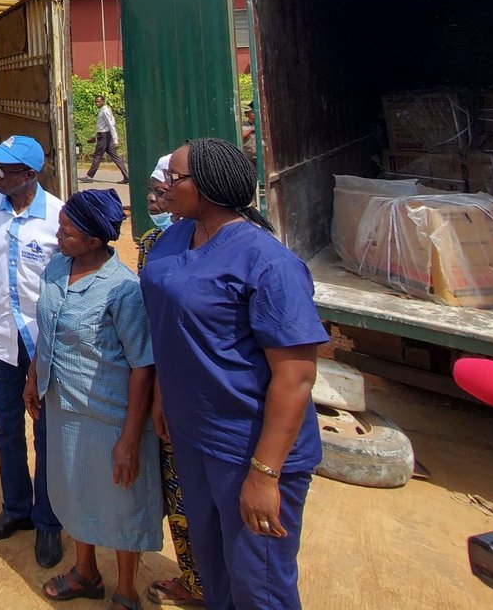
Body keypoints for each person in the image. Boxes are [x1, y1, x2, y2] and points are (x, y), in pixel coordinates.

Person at [139, 139, 326, 610]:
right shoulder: (174, 237)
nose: (164, 185)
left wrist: (264, 476)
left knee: (259, 582)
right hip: (193, 435)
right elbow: (171, 329)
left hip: (247, 445)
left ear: (208, 189)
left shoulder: (269, 263)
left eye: (175, 178)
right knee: (213, 566)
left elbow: (296, 377)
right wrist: (163, 394)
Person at [28, 188, 161, 608]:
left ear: (94, 241)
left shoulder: (124, 291)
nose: (58, 234)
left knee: (123, 500)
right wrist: (33, 377)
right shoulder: (55, 268)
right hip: (63, 407)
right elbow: (44, 331)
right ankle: (86, 571)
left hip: (111, 416)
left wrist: (129, 438)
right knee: (75, 490)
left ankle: (126, 589)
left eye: (67, 230)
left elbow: (143, 365)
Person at [0, 134, 67, 568]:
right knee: (6, 428)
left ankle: (48, 522)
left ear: (29, 175)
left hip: (44, 344)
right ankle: (16, 508)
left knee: (46, 434)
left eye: (3, 170)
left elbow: (68, 282)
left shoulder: (59, 216)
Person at [140, 155, 203, 607]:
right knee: (179, 495)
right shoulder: (153, 241)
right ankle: (195, 577)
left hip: (207, 398)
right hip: (168, 387)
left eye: (162, 189)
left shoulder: (233, 243)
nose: (153, 198)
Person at [85, 94, 129, 183]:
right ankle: (127, 176)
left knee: (97, 155)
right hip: (103, 136)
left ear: (103, 101)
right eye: (96, 102)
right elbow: (101, 126)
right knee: (115, 156)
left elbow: (111, 125)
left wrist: (115, 140)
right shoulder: (103, 110)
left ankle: (89, 176)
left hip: (104, 136)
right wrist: (95, 136)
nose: (97, 103)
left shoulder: (105, 111)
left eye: (98, 101)